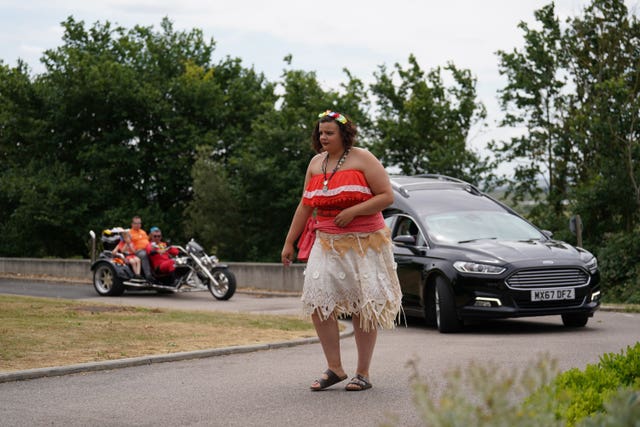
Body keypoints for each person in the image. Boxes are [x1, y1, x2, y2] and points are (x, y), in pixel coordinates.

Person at [281, 110, 403, 392]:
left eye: (329, 133)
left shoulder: (363, 158)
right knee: (318, 303)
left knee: (364, 306)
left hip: (365, 243)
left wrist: (354, 211)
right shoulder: (315, 163)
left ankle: (363, 373)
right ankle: (335, 368)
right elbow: (305, 205)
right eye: (320, 133)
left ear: (344, 134)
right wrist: (289, 242)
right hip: (326, 242)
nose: (323, 137)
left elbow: (387, 196)